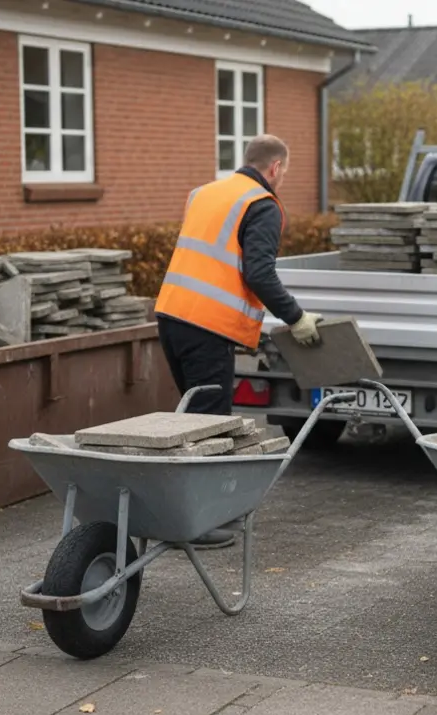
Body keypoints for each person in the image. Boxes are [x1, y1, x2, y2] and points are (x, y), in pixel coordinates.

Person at [154, 134, 322, 548]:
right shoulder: (260, 204)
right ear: (276, 167)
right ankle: (192, 526)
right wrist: (297, 318)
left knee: (192, 422)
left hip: (172, 313)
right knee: (209, 426)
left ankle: (179, 517)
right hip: (207, 326)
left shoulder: (206, 193)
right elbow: (259, 273)